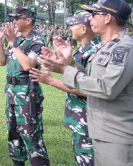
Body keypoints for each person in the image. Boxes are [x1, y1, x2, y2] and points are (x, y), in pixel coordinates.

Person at [39, 0, 133, 165]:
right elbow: (92, 79)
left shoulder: (125, 48)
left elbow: (106, 88)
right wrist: (68, 62)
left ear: (108, 18)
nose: (89, 18)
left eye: (94, 13)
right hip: (104, 133)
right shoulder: (104, 47)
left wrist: (64, 70)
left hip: (121, 137)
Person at [30, 11, 98, 166]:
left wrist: (50, 80)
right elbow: (77, 77)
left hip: (90, 119)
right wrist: (57, 63)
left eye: (73, 24)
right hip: (81, 118)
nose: (70, 28)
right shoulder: (82, 50)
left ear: (83, 29)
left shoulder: (93, 51)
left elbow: (89, 90)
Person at [0, 5, 50, 166]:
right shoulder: (17, 39)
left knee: (31, 135)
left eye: (17, 18)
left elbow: (28, 65)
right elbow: (2, 62)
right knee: (14, 134)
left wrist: (13, 43)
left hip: (27, 94)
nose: (14, 21)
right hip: (11, 92)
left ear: (28, 20)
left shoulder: (37, 40)